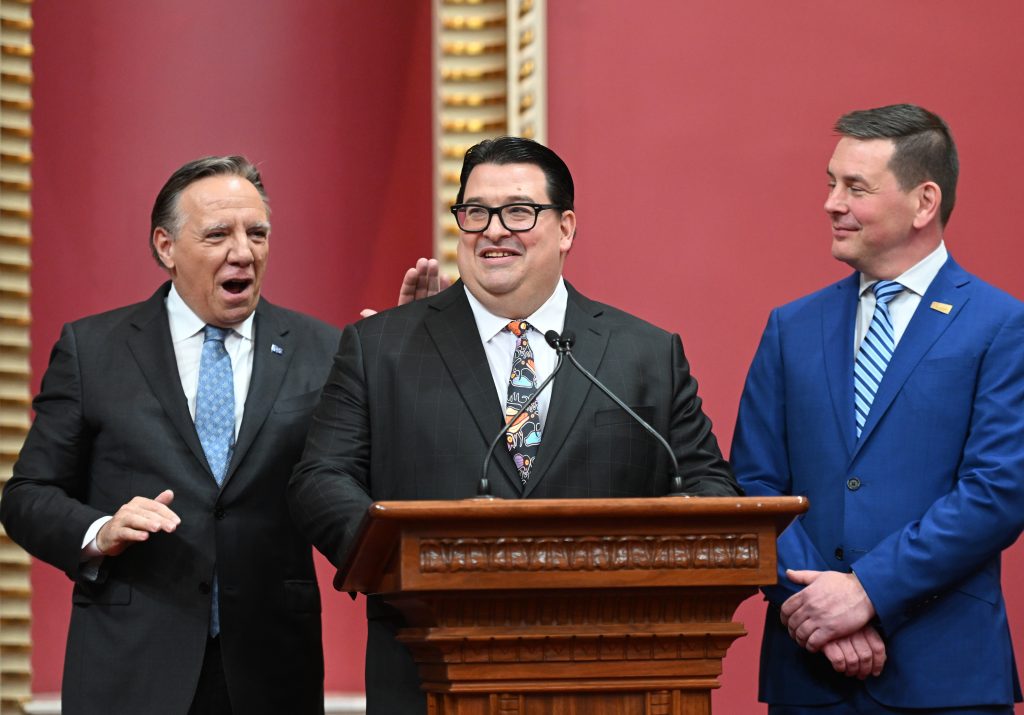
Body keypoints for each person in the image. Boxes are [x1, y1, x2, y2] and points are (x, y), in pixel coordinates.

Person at [288, 136, 742, 714]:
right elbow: (320, 480)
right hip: (428, 667)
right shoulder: (381, 347)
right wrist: (402, 562)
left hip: (611, 670)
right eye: (475, 212)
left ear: (566, 228)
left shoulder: (644, 354)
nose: (494, 230)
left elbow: (708, 487)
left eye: (519, 212)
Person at [0, 155, 446, 715]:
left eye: (257, 233)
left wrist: (404, 373)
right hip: (131, 665)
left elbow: (380, 483)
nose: (244, 252)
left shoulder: (326, 350)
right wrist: (100, 529)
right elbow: (27, 495)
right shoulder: (94, 351)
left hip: (271, 667)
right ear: (166, 247)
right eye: (218, 235)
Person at [731, 104, 1024, 713]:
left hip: (944, 674)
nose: (831, 203)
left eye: (855, 187)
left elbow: (998, 492)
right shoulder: (792, 327)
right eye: (830, 182)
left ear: (923, 202)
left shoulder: (1001, 326)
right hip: (809, 671)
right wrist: (814, 607)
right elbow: (753, 485)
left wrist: (867, 592)